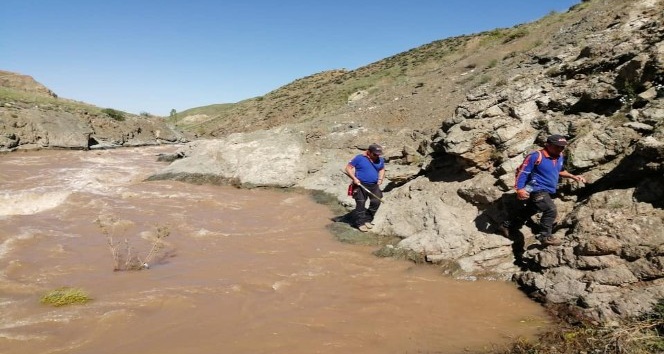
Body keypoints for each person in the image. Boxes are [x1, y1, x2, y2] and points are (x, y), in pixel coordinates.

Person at [499, 134, 587, 246]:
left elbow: (559, 170)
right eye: (557, 146)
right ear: (548, 145)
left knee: (531, 209)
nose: (560, 149)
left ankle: (507, 225)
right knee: (550, 210)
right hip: (536, 188)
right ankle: (545, 236)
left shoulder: (559, 156)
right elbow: (523, 172)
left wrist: (573, 176)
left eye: (562, 147)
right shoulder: (535, 156)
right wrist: (520, 189)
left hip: (547, 189)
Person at [345, 143, 386, 232]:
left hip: (374, 185)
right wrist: (354, 178)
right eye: (375, 154)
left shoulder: (380, 160)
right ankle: (360, 223)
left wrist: (380, 179)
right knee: (361, 203)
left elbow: (382, 169)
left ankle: (368, 219)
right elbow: (348, 168)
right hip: (360, 185)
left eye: (378, 154)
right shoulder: (359, 158)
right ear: (369, 152)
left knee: (376, 201)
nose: (377, 156)